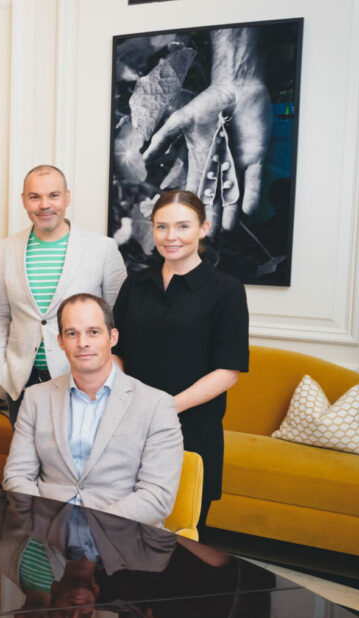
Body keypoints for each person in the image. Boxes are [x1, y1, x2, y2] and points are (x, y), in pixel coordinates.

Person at [113, 189, 249, 530]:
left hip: (193, 431)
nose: (171, 236)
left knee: (182, 541)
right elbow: (115, 352)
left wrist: (165, 408)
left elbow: (228, 370)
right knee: (121, 533)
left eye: (183, 226)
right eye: (161, 227)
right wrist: (129, 402)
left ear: (203, 228)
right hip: (130, 427)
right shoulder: (135, 283)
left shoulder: (227, 291)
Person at [2, 293, 183, 527]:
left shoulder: (157, 405)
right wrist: (50, 524)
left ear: (113, 337)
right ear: (60, 341)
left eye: (93, 332)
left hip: (122, 539)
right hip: (48, 536)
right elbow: (17, 476)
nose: (82, 343)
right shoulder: (36, 398)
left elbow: (157, 497)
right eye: (72, 333)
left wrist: (91, 528)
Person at [0, 165, 126, 423]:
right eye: (34, 197)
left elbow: (119, 315)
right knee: (27, 461)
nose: (44, 205)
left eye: (53, 195)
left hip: (83, 377)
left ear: (67, 197)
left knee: (80, 460)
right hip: (22, 381)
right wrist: (4, 368)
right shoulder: (6, 249)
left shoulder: (102, 249)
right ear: (23, 200)